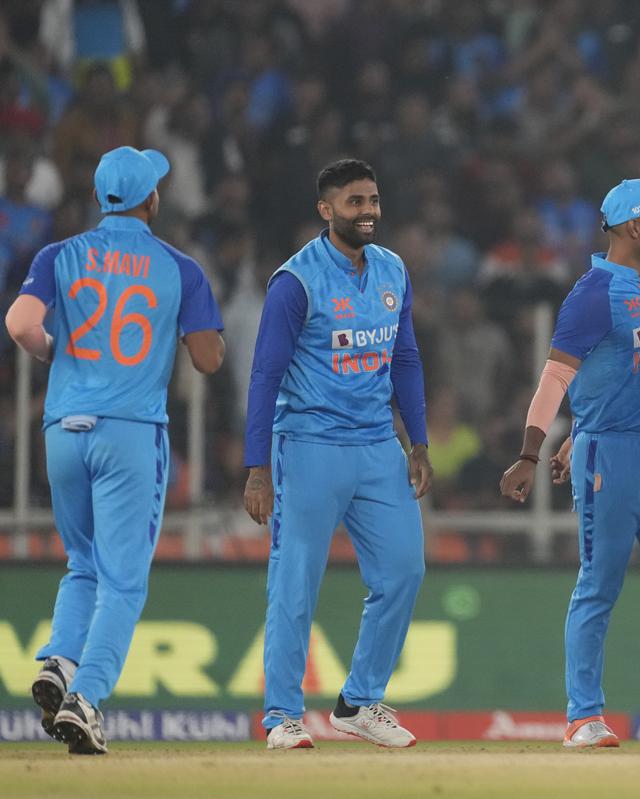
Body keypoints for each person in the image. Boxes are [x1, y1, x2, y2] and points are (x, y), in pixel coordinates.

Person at [5, 146, 225, 755]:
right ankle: (86, 698)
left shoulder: (58, 254)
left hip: (63, 429)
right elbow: (208, 359)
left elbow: (20, 325)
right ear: (151, 199)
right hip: (130, 430)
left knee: (84, 562)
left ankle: (59, 663)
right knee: (124, 583)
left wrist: (58, 353)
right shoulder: (179, 267)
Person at [242, 158, 432, 750]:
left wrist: (418, 441)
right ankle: (282, 716)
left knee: (404, 570)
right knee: (295, 583)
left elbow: (405, 358)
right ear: (326, 210)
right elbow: (265, 375)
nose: (368, 211)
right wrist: (257, 468)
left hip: (377, 445)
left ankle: (358, 702)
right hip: (309, 445)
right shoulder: (295, 282)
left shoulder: (393, 269)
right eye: (355, 202)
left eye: (373, 200)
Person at [499, 178, 640, 748]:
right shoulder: (594, 292)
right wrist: (530, 452)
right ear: (632, 225)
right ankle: (583, 716)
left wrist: (577, 430)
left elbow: (616, 375)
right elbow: (557, 377)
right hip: (611, 458)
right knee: (599, 586)